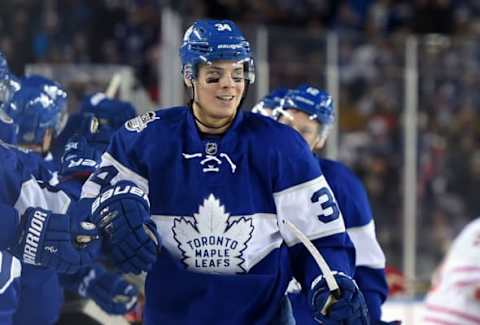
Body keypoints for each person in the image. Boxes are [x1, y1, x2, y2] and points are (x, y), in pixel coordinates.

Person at [81, 19, 369, 324]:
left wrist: (330, 283)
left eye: (237, 74)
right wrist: (108, 215)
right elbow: (88, 211)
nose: (228, 85)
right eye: (214, 75)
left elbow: (321, 236)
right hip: (173, 315)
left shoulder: (282, 146)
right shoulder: (145, 139)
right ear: (189, 76)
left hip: (260, 316)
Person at [276, 85, 390, 324]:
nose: (293, 136)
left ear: (320, 139)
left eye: (305, 130)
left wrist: (370, 318)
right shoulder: (251, 173)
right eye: (287, 126)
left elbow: (366, 263)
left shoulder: (340, 182)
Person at [422, 217, 480, 324]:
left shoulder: (473, 227)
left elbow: (438, 275)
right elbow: (474, 288)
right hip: (464, 315)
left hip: (434, 311)